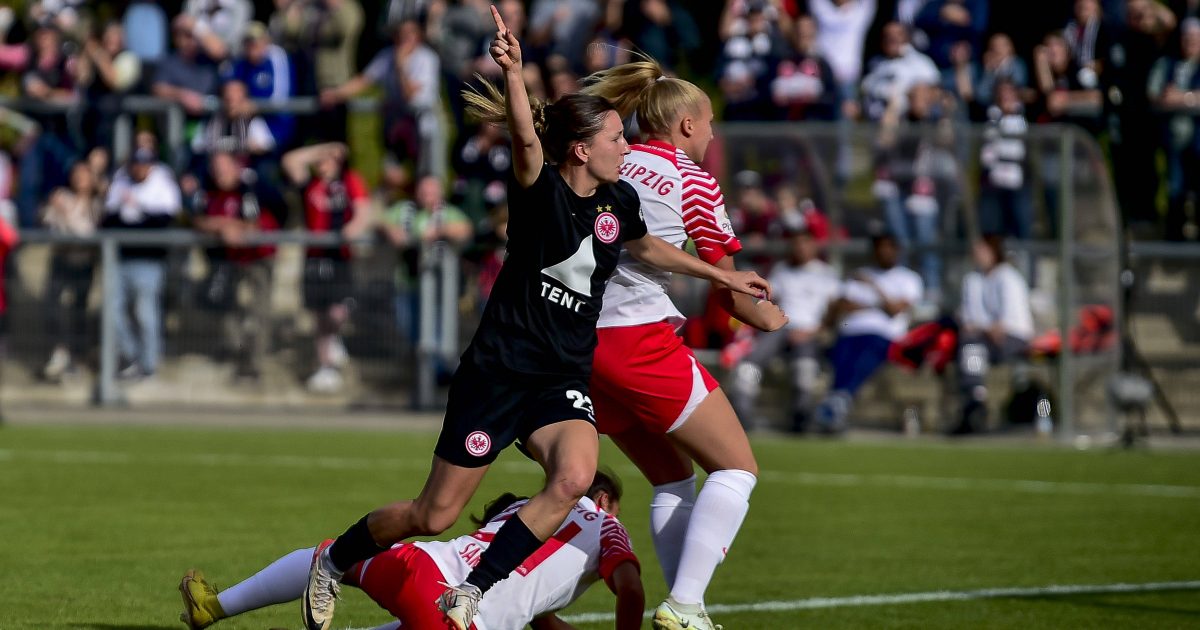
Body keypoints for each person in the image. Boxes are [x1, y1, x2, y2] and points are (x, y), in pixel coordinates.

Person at [300, 8, 768, 630]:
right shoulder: (539, 192)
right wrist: (515, 74)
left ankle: (473, 591)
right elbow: (525, 139)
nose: (626, 148)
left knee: (575, 475)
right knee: (432, 515)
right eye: (614, 140)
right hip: (499, 374)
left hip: (561, 377)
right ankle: (334, 559)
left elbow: (649, 247)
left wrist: (722, 276)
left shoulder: (619, 199)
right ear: (581, 149)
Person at [579, 58, 788, 630]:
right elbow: (733, 294)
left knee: (673, 478)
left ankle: (685, 612)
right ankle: (685, 604)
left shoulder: (613, 159)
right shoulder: (691, 177)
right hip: (637, 341)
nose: (715, 134)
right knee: (738, 468)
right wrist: (773, 318)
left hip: (581, 340)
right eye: (712, 122)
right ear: (688, 125)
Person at [180, 471, 643, 630]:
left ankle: (214, 607)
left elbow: (539, 617)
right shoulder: (606, 524)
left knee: (329, 557)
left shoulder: (527, 508)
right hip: (462, 620)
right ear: (603, 499)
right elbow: (631, 590)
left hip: (421, 569)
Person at [280, 142, 373, 393]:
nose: (323, 164)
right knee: (319, 316)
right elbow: (290, 160)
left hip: (339, 256)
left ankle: (335, 341)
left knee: (337, 312)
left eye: (328, 159)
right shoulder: (310, 185)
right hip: (314, 257)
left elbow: (363, 210)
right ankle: (326, 366)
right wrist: (324, 149)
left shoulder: (349, 181)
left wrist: (352, 230)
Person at [731, 225, 839, 432]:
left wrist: (815, 331)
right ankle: (742, 414)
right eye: (796, 243)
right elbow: (771, 301)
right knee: (749, 365)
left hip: (810, 331)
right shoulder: (782, 270)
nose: (800, 248)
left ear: (814, 246)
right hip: (780, 327)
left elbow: (833, 313)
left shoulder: (826, 273)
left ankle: (801, 417)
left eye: (804, 243)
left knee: (805, 369)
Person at [816, 227, 922, 433]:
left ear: (896, 250)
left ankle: (839, 399)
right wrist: (877, 304)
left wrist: (873, 287)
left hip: (884, 336)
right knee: (842, 353)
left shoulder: (907, 278)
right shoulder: (859, 274)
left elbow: (895, 310)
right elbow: (842, 306)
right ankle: (837, 401)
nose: (883, 252)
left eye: (887, 247)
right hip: (851, 332)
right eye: (879, 247)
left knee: (865, 352)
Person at [191, 150, 279, 382]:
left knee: (258, 312)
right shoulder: (208, 190)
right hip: (229, 260)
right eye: (215, 167)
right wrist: (222, 226)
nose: (219, 172)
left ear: (236, 167)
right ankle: (236, 355)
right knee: (226, 309)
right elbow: (198, 220)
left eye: (224, 166)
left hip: (258, 258)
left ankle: (254, 365)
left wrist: (231, 227)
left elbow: (253, 224)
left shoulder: (250, 188)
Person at [101, 146, 182, 380]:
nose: (139, 167)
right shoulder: (120, 182)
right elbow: (109, 220)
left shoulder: (162, 184)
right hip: (119, 258)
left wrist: (139, 210)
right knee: (112, 311)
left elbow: (164, 220)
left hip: (149, 261)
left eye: (144, 163)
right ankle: (131, 357)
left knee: (145, 314)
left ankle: (149, 366)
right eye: (136, 163)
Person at [953, 235, 1034, 434]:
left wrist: (984, 328)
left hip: (1015, 338)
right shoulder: (972, 279)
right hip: (982, 340)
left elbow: (1006, 323)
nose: (977, 254)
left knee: (972, 346)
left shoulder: (1008, 277)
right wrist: (982, 328)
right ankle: (975, 398)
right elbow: (968, 318)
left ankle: (975, 398)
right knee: (971, 345)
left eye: (982, 250)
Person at [40, 161, 102, 382]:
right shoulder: (61, 196)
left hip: (83, 264)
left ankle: (76, 357)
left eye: (84, 175)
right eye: (76, 174)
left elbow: (85, 234)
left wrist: (66, 214)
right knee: (51, 305)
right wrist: (54, 209)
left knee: (79, 310)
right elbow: (48, 223)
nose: (79, 179)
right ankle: (59, 353)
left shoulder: (96, 205)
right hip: (61, 260)